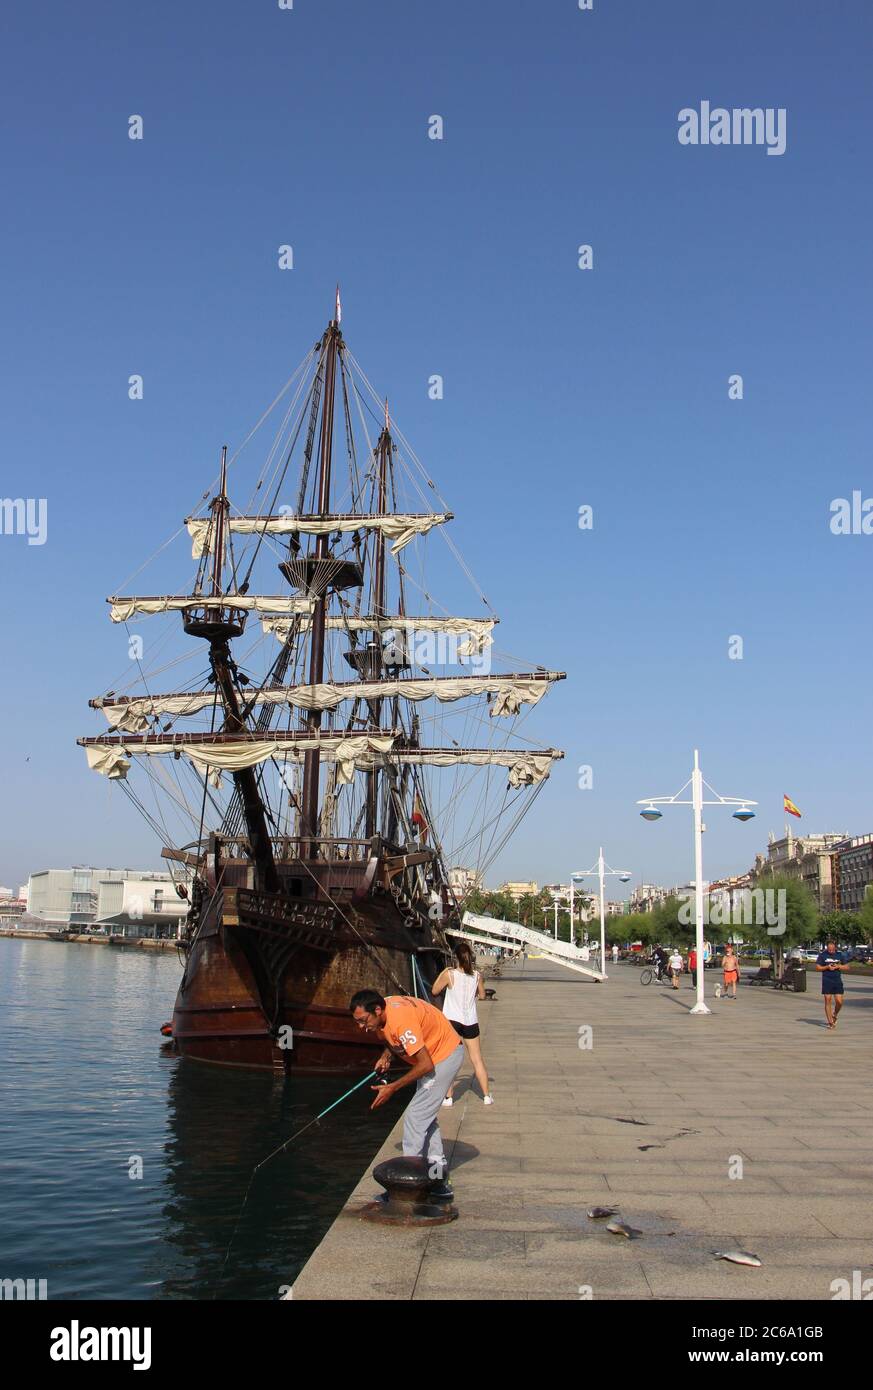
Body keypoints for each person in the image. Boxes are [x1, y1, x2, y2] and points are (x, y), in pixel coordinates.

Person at [350, 989, 464, 1197]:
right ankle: (438, 1179)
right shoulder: (384, 1010)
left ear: (377, 1010)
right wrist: (387, 1056)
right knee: (425, 1117)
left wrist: (392, 1088)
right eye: (357, 1022)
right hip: (435, 1054)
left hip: (443, 1056)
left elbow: (425, 1064)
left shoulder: (401, 1021)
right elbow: (391, 1037)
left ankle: (407, 1184)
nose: (361, 1027)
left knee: (415, 1116)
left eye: (364, 1021)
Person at [430, 942, 493, 1106]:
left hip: (452, 1020)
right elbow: (483, 995)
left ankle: (449, 1097)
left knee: (449, 1058)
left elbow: (435, 991)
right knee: (477, 1059)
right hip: (470, 1021)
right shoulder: (477, 975)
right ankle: (486, 1096)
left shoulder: (450, 974)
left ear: (455, 958)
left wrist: (444, 971)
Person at [815, 940, 851, 1030]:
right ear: (827, 948)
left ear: (835, 947)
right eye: (829, 949)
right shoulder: (822, 955)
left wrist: (838, 966)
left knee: (839, 1002)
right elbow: (817, 967)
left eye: (832, 949)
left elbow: (847, 967)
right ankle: (830, 1022)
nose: (831, 951)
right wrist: (827, 967)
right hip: (827, 980)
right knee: (828, 1000)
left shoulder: (840, 955)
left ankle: (835, 1014)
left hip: (837, 980)